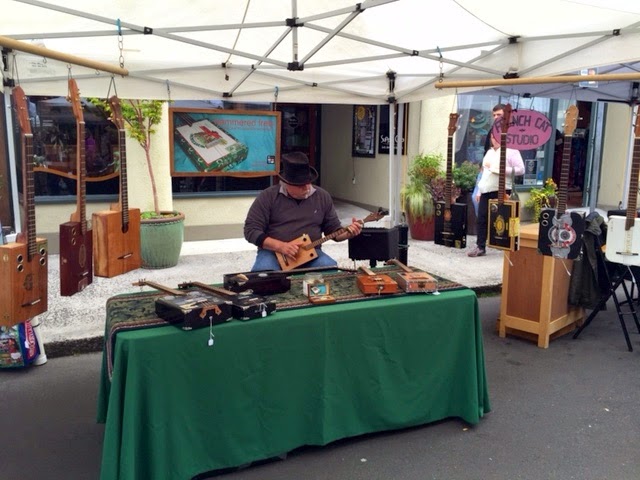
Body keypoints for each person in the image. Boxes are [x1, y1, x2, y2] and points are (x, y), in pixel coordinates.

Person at [244, 152, 363, 271]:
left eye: (308, 182)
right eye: (300, 185)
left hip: (311, 253)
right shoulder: (268, 196)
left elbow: (332, 229)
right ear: (286, 183)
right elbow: (251, 230)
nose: (306, 188)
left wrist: (348, 233)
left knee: (329, 268)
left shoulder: (322, 196)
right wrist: (281, 246)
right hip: (273, 253)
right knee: (263, 275)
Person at [467, 113, 525, 257]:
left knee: (504, 219)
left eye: (496, 136)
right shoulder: (489, 152)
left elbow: (521, 170)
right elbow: (484, 173)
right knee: (481, 219)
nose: (494, 139)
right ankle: (480, 246)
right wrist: (480, 191)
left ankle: (507, 245)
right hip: (486, 190)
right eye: (492, 137)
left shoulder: (512, 151)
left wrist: (500, 170)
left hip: (502, 189)